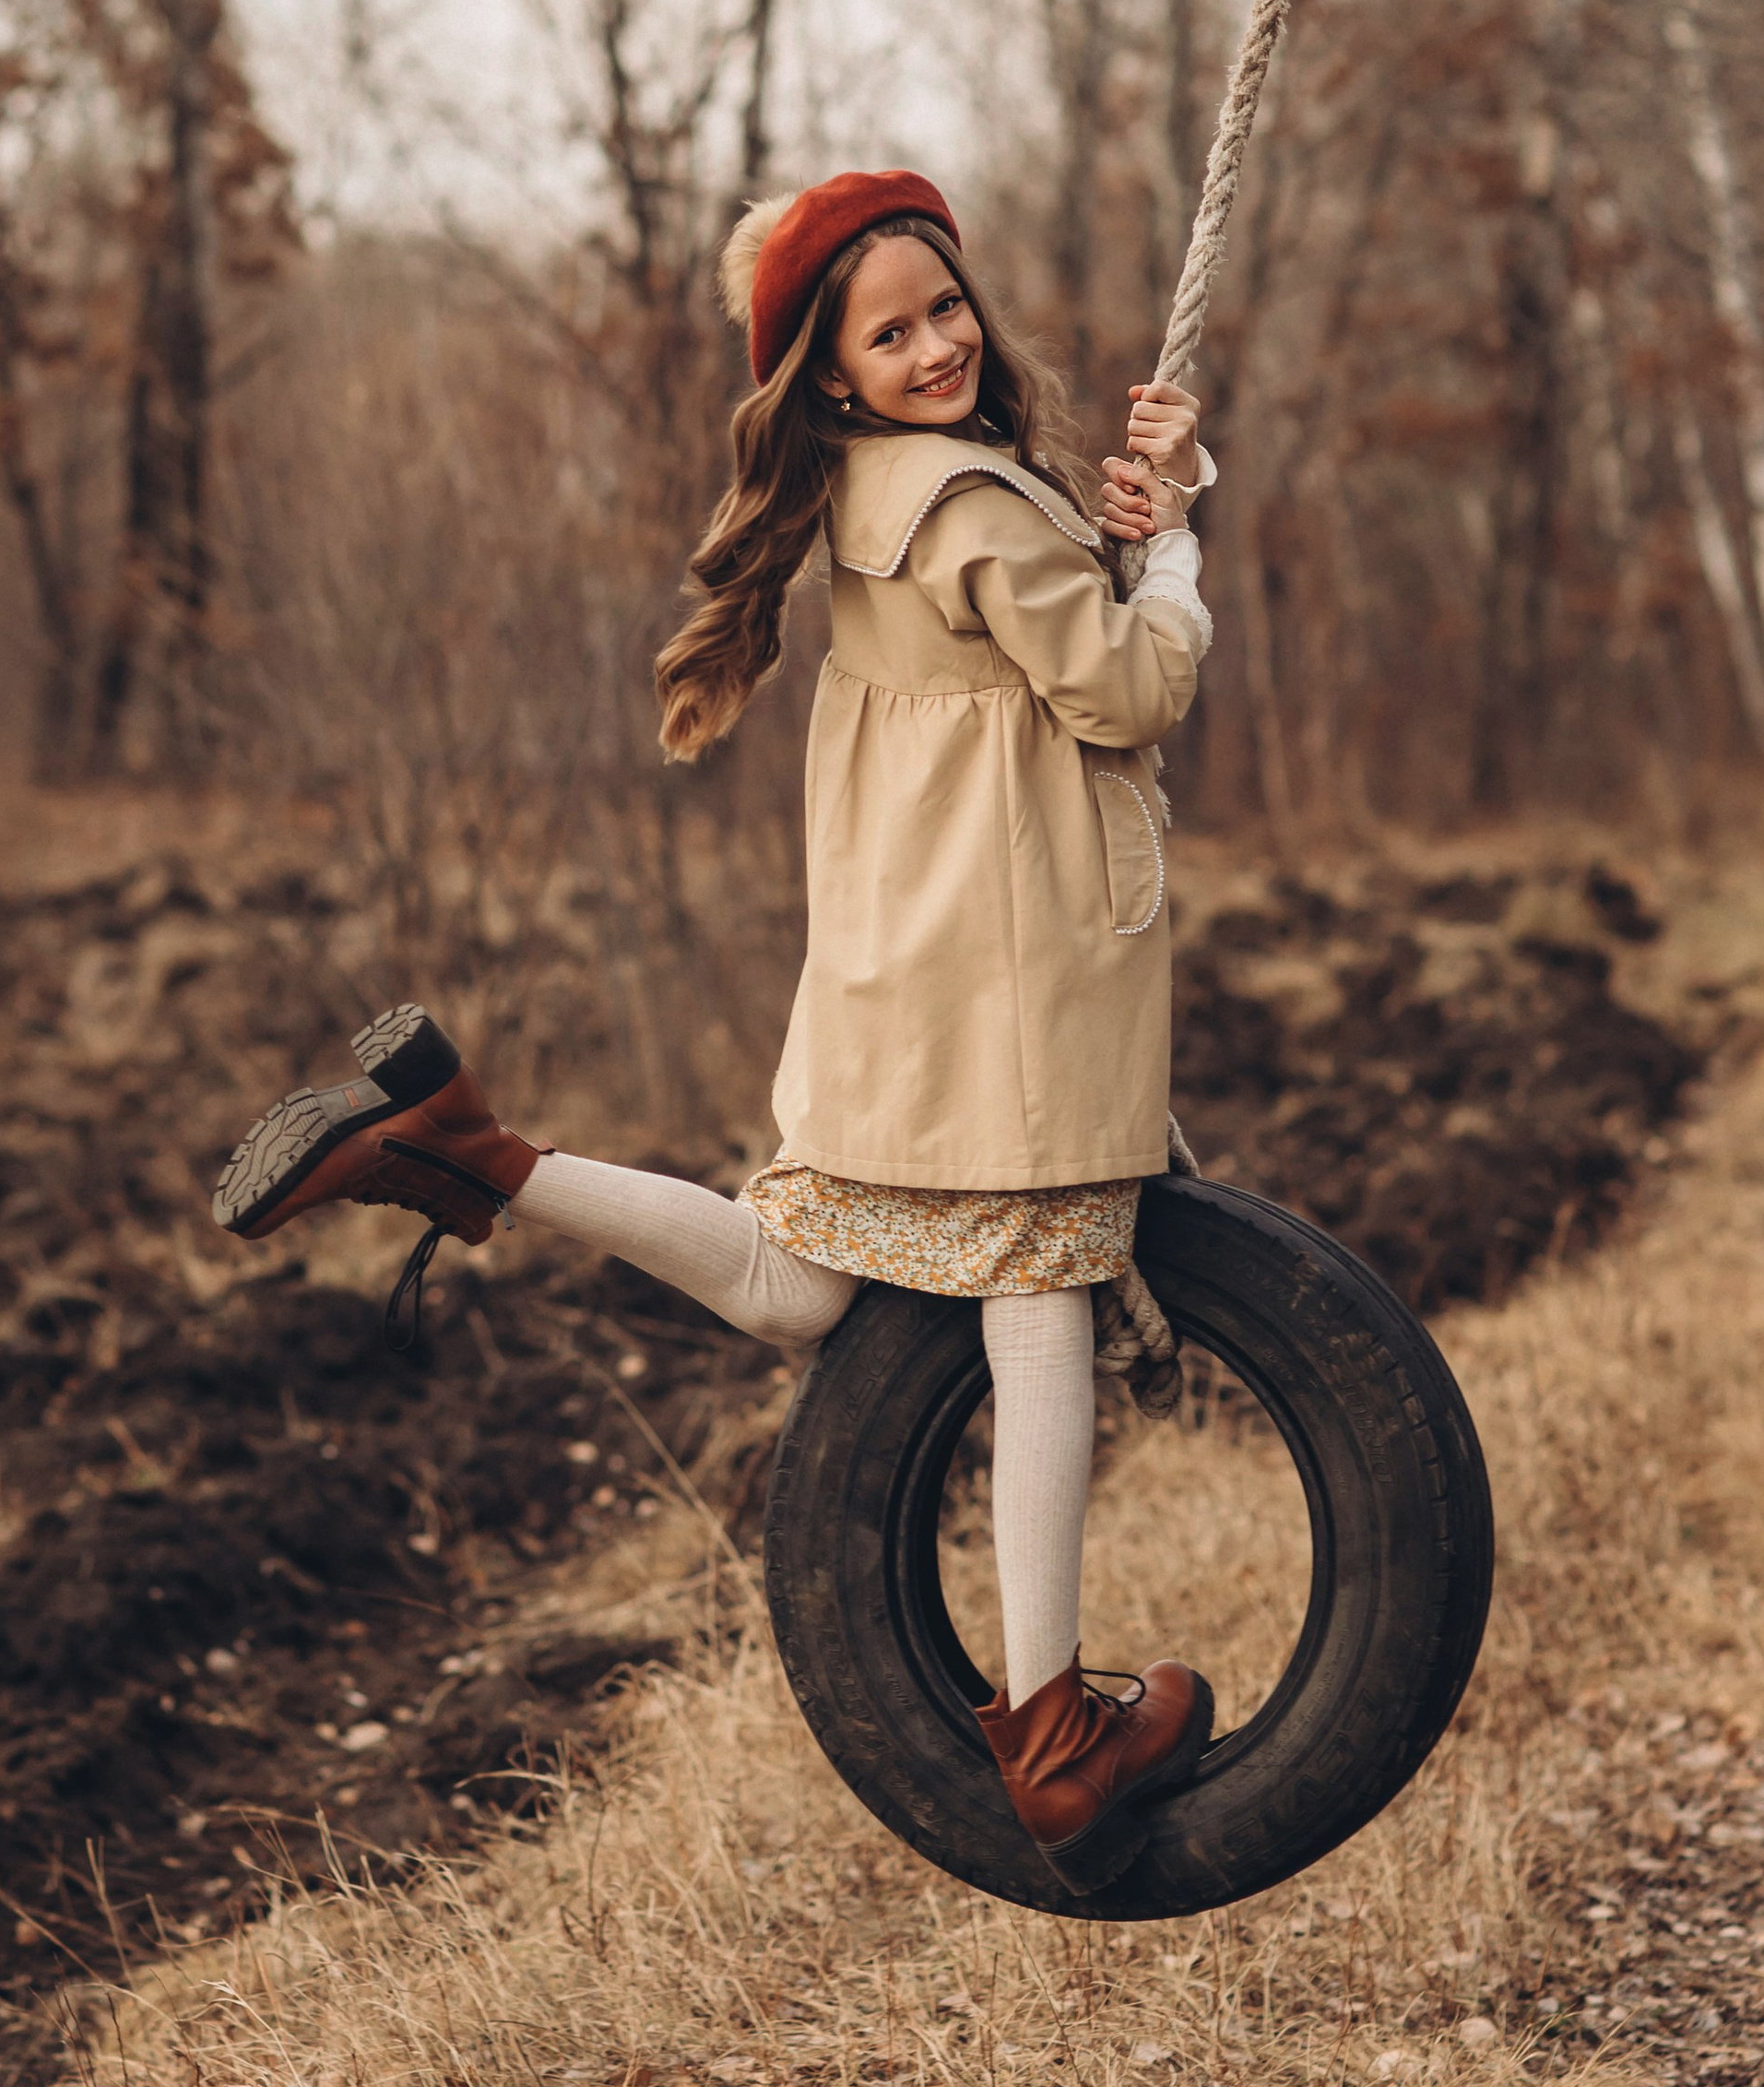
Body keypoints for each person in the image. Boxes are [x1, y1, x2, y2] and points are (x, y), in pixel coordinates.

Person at [213, 171, 1217, 1894]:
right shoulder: (974, 503)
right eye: (886, 331)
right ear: (827, 372)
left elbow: (1027, 648)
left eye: (943, 309)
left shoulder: (859, 496)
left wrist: (1110, 529)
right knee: (1036, 1305)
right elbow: (1128, 687)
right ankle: (1049, 1729)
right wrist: (1178, 552)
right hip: (1012, 976)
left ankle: (474, 1154)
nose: (934, 344)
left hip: (901, 967)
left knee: (801, 1282)